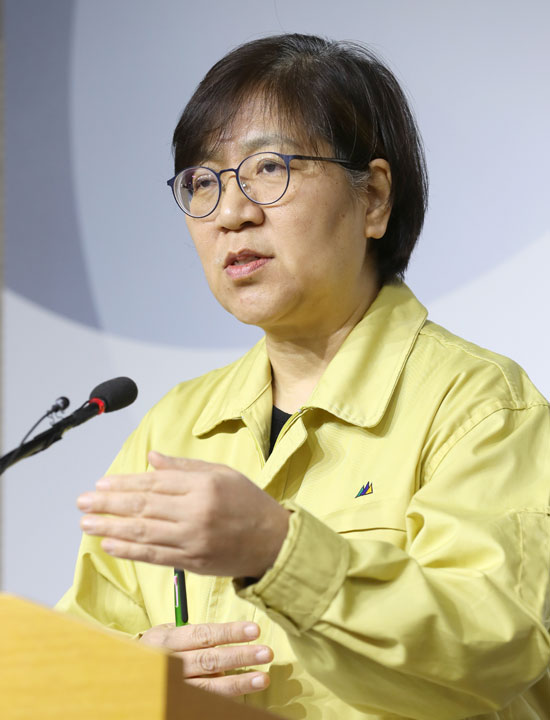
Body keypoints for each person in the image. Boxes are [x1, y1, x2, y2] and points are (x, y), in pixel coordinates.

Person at [57, 34, 550, 719]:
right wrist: (130, 679)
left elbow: (495, 649)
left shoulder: (478, 406)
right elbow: (75, 654)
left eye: (269, 167)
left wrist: (278, 551)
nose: (232, 213)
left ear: (373, 199)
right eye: (203, 182)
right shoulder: (176, 426)